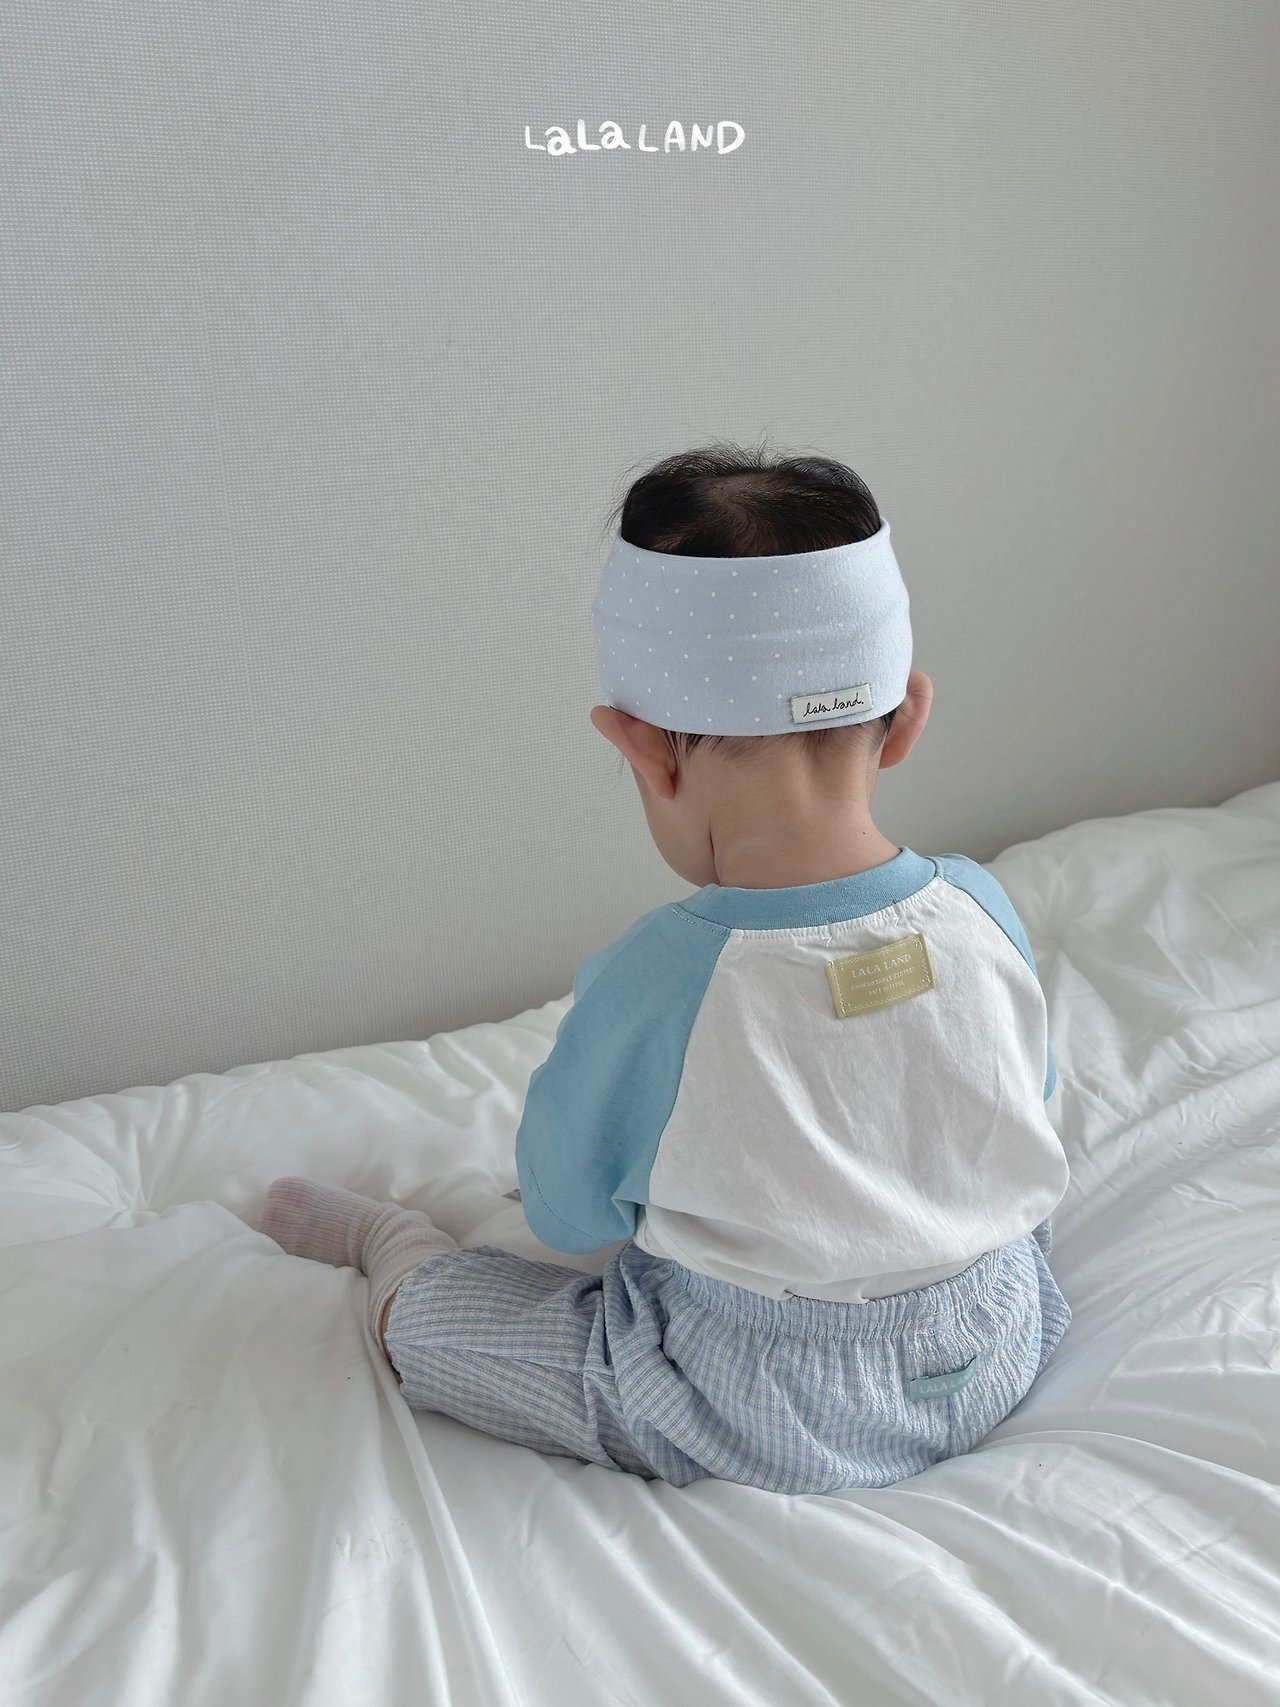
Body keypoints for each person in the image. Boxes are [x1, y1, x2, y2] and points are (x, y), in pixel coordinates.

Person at [260, 441, 1072, 1493]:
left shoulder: (665, 978)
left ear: (643, 749)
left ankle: (390, 1247)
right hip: (997, 1336)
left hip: (765, 1397)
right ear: (906, 716)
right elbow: (1024, 1099)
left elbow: (565, 1212)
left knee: (451, 1334)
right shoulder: (979, 906)